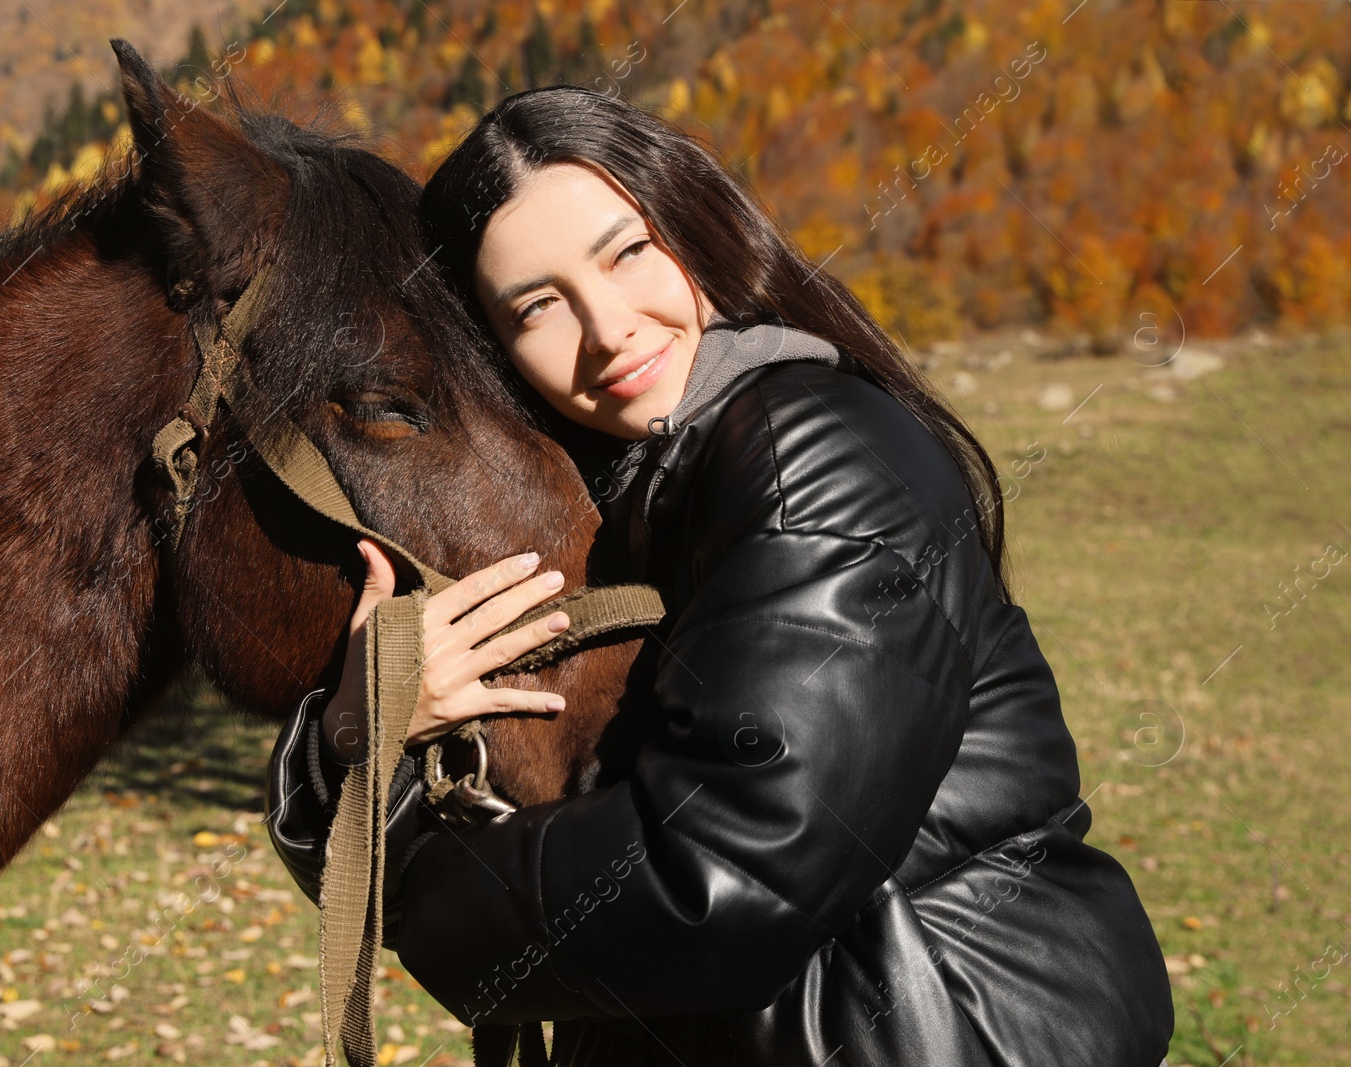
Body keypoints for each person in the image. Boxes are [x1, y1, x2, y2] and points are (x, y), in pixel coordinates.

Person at [268, 85, 1174, 1066]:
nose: (608, 328)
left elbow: (723, 879)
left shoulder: (806, 457)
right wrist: (354, 737)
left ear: (699, 224)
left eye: (627, 252)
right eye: (536, 307)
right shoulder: (657, 486)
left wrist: (394, 859)